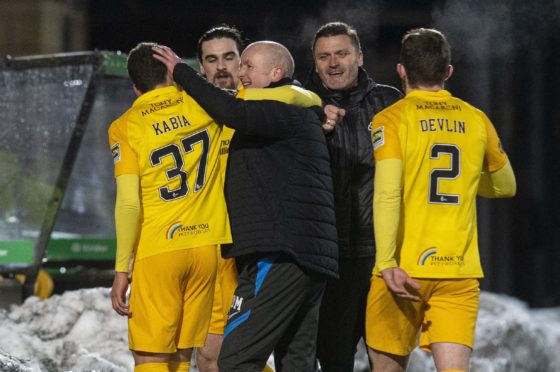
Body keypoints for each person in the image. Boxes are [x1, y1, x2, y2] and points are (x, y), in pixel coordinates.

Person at [153, 40, 338, 371]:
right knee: (296, 361)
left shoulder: (282, 110)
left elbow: (232, 110)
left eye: (248, 66)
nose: (240, 73)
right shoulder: (297, 110)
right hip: (304, 259)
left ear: (276, 73)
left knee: (236, 358)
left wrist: (182, 72)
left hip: (281, 254)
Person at [365, 28, 516, 371]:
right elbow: (506, 186)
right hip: (457, 271)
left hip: (402, 269)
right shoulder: (477, 120)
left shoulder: (390, 120)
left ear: (401, 70)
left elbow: (388, 193)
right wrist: (465, 182)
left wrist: (387, 262)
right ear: (448, 72)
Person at [108, 42, 231, 372]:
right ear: (173, 74)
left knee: (150, 359)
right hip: (206, 249)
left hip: (159, 249)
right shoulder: (203, 106)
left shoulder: (126, 125)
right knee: (180, 358)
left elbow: (129, 203)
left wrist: (122, 268)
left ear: (135, 87)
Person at [304, 21, 402, 371]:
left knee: (388, 358)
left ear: (359, 57)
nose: (333, 63)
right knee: (333, 358)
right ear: (314, 62)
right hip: (325, 258)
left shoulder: (390, 102)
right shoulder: (300, 107)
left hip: (381, 255)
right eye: (324, 56)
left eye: (342, 53)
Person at [194, 25, 243, 372]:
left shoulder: (263, 107)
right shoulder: (190, 114)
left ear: (244, 63)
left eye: (229, 57)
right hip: (206, 248)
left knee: (225, 356)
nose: (221, 67)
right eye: (212, 60)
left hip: (250, 251)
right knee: (210, 356)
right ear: (201, 68)